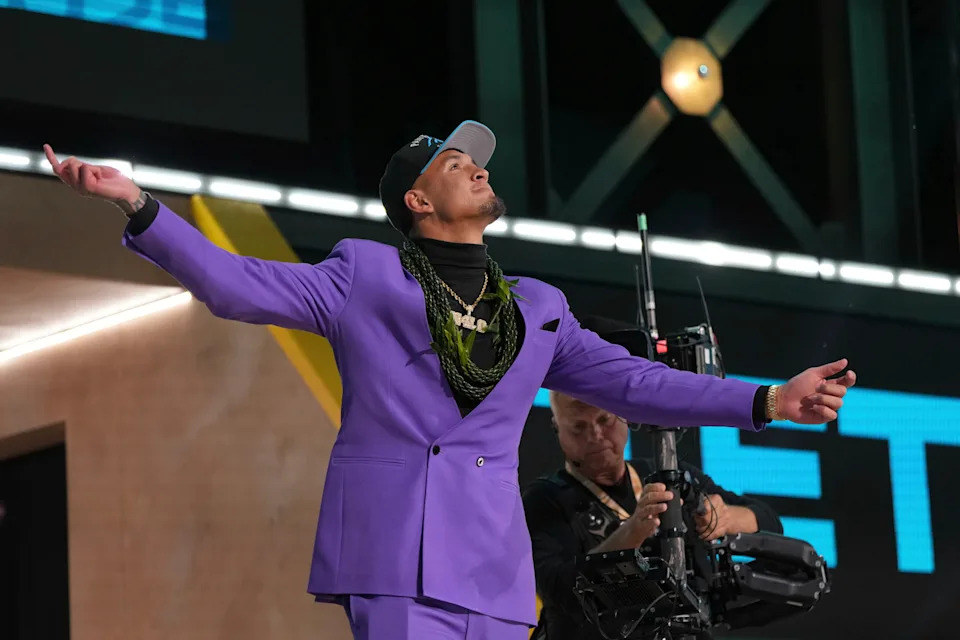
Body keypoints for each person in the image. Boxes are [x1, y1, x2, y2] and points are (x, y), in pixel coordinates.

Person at [42, 120, 855, 640]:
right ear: (417, 201)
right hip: (393, 551)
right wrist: (139, 205)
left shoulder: (536, 309)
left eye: (474, 163)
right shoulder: (363, 276)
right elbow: (233, 283)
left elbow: (635, 384)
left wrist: (770, 399)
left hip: (492, 571)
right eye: (456, 163)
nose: (475, 170)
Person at [524, 385, 784, 640]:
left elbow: (770, 522)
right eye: (578, 427)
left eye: (604, 419)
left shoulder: (669, 474)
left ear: (624, 417)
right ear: (558, 429)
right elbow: (559, 590)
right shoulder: (545, 499)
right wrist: (634, 530)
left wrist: (727, 517)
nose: (595, 434)